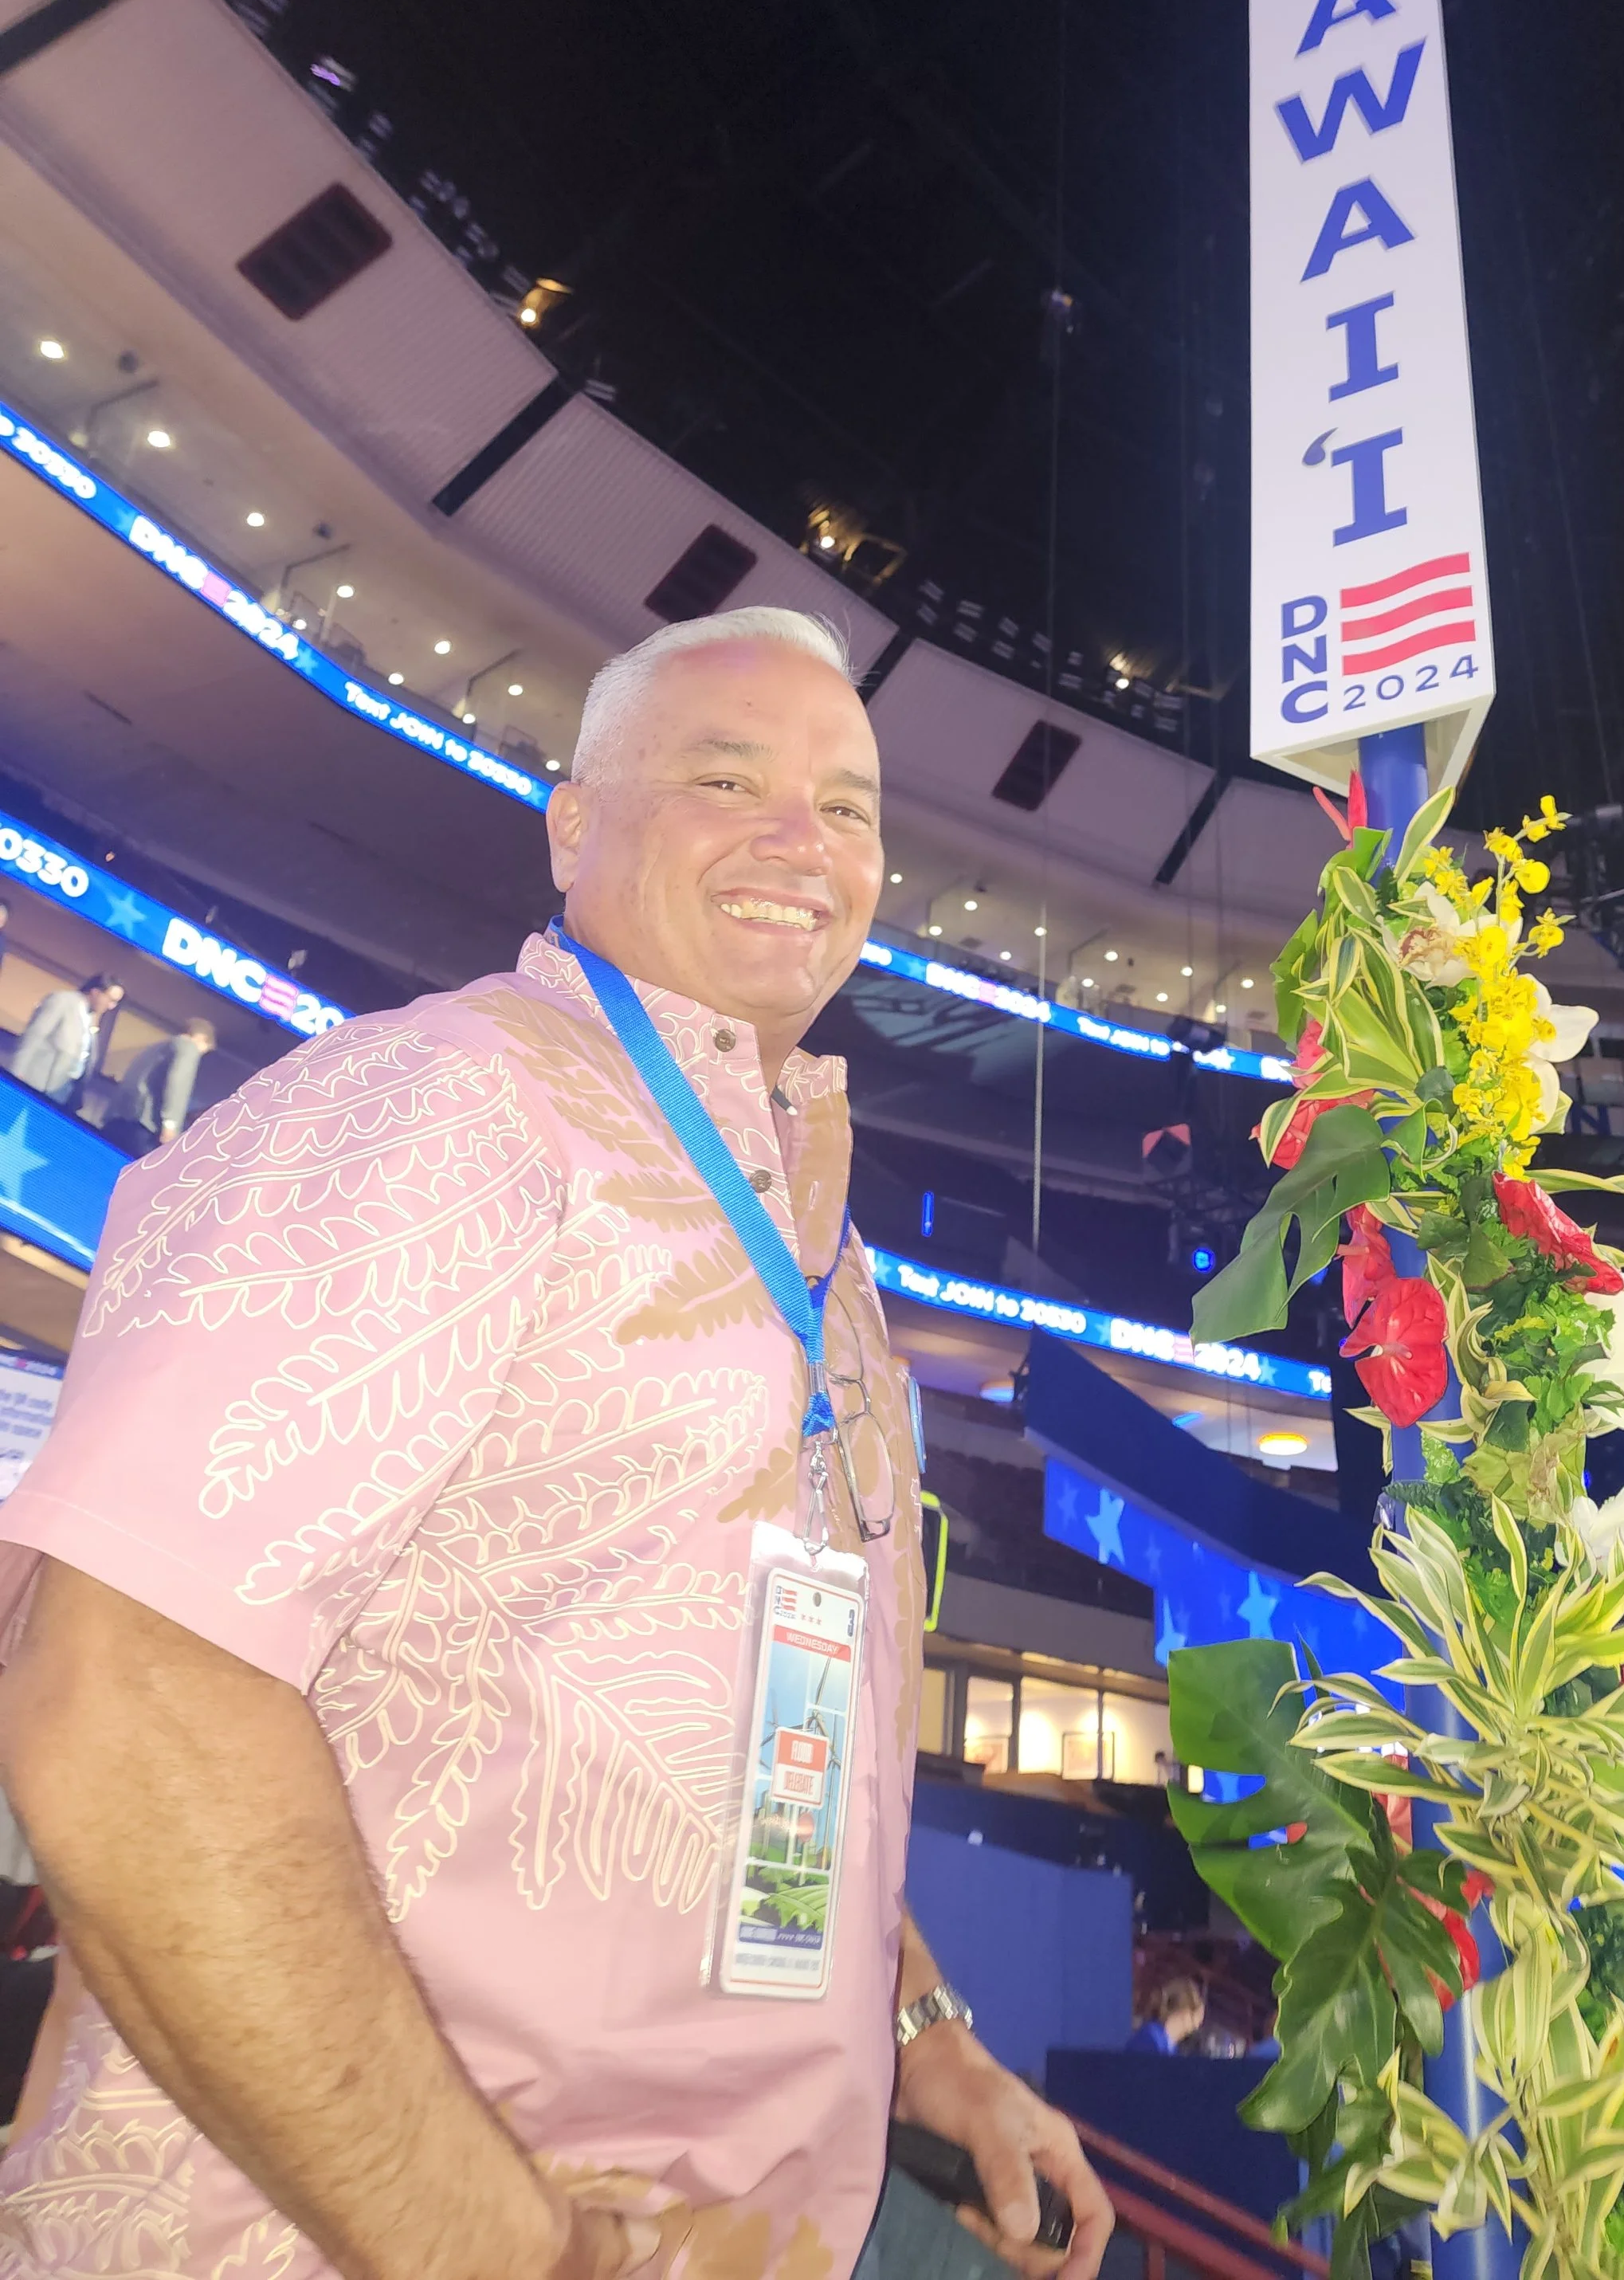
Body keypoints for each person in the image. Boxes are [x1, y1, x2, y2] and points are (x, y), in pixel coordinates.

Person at [0, 609, 1110, 2280]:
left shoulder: (825, 1259)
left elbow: (761, 1737)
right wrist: (493, 2249)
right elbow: (126, 1701)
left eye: (848, 805)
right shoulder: (431, 1109)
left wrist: (921, 2028)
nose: (799, 841)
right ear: (572, 823)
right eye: (723, 776)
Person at [100, 1014, 217, 1153]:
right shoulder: (188, 1047)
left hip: (119, 1118)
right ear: (201, 1038)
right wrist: (170, 1124)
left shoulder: (156, 1048)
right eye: (205, 1051)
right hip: (146, 1126)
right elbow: (177, 1082)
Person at [7, 972, 123, 1109]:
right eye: (110, 1000)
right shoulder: (62, 1001)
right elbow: (34, 1037)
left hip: (63, 1089)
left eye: (115, 1002)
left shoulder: (89, 1018)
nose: (111, 1006)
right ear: (96, 992)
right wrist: (14, 1076)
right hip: (38, 1083)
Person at [1124, 1976, 1206, 2055]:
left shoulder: (1171, 2047)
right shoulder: (1150, 2039)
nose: (1196, 2027)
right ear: (1185, 2013)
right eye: (1193, 2019)